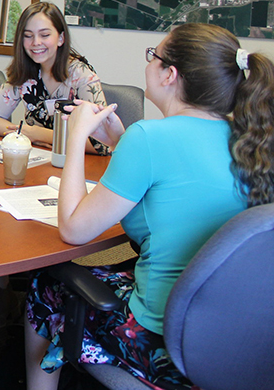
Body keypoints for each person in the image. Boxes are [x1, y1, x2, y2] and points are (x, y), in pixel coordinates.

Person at [25, 23, 274, 390]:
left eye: (152, 56)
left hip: (162, 337)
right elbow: (178, 186)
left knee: (45, 284)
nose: (148, 64)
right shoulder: (251, 138)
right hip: (230, 333)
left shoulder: (150, 138)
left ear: (170, 74)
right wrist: (121, 141)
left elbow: (74, 230)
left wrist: (76, 137)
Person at [0, 1, 109, 154]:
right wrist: (23, 133)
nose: (36, 43)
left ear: (61, 38)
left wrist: (39, 135)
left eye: (45, 35)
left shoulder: (82, 76)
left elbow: (102, 143)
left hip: (75, 164)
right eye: (28, 36)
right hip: (37, 159)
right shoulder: (26, 72)